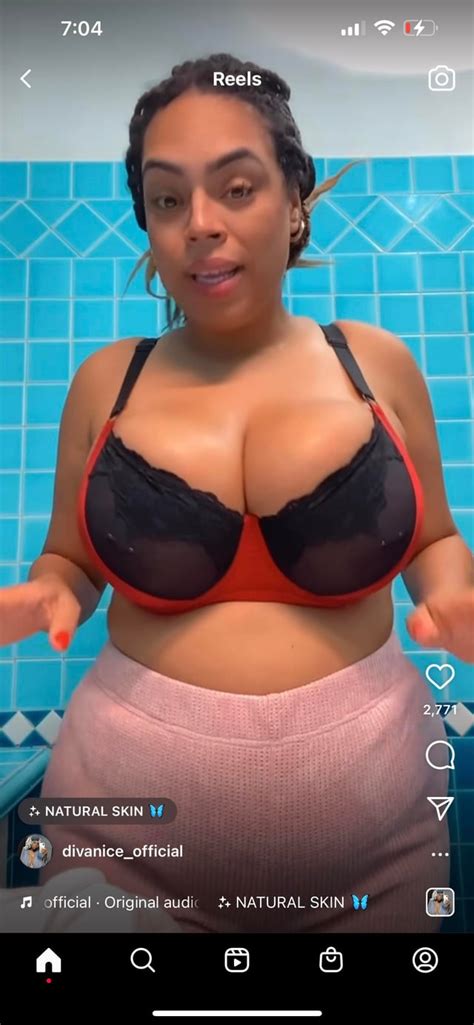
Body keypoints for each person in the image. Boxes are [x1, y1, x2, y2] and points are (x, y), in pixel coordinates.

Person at [1, 53, 473, 934]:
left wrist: (453, 600)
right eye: (166, 199)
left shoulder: (375, 364)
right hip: (121, 847)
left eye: (238, 188)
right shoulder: (108, 381)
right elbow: (70, 558)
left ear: (294, 200)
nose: (200, 224)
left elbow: (435, 540)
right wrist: (49, 594)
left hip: (377, 852)